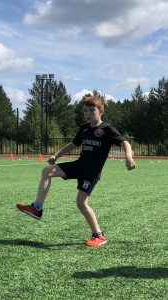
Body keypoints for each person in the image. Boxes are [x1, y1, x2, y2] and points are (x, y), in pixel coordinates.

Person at [16, 96, 136, 247]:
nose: (88, 113)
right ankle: (37, 208)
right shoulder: (84, 129)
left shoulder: (107, 129)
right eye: (85, 110)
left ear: (101, 111)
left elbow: (125, 142)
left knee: (81, 203)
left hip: (90, 173)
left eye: (92, 110)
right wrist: (56, 155)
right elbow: (73, 144)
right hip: (79, 166)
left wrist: (128, 157)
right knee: (47, 171)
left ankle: (98, 235)